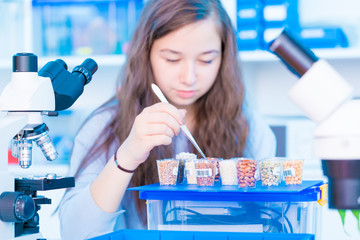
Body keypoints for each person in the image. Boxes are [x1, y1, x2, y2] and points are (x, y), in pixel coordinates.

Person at [59, 0, 276, 239]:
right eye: (172, 59)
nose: (189, 77)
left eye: (206, 60)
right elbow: (74, 233)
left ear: (225, 58)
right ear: (145, 53)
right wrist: (127, 157)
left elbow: (268, 224)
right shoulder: (104, 127)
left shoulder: (248, 129)